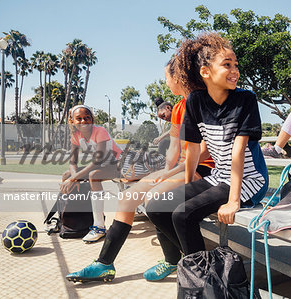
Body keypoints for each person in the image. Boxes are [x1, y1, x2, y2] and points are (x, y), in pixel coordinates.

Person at [65, 57, 214, 283]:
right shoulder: (179, 107)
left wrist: (167, 174)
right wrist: (165, 170)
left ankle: (175, 259)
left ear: (179, 77)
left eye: (167, 77)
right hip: (178, 167)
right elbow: (174, 147)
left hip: (202, 168)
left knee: (156, 198)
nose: (166, 83)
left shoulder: (203, 103)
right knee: (127, 198)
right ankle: (104, 264)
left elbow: (204, 152)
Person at [143, 32, 268, 281]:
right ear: (205, 72)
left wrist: (233, 201)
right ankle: (200, 265)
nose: (235, 70)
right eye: (227, 64)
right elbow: (191, 149)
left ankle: (204, 280)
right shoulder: (196, 101)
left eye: (236, 65)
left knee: (182, 214)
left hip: (248, 181)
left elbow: (238, 151)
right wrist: (190, 186)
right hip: (218, 177)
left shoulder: (245, 100)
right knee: (157, 207)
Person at [60, 105, 122, 243]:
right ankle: (68, 221)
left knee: (93, 176)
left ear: (92, 119)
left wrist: (74, 178)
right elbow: (72, 162)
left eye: (87, 118)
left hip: (118, 165)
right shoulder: (76, 136)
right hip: (102, 166)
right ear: (72, 121)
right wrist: (73, 178)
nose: (83, 121)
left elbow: (97, 161)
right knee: (66, 175)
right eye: (79, 118)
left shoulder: (100, 131)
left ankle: (99, 227)